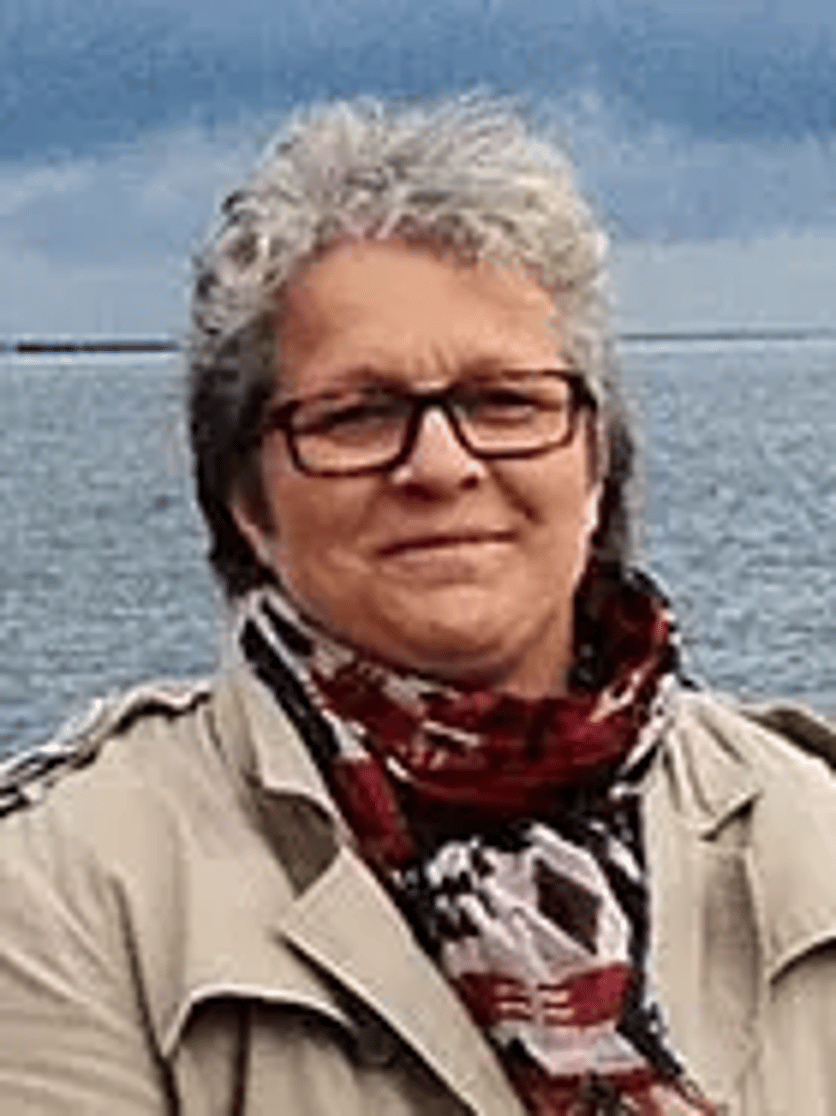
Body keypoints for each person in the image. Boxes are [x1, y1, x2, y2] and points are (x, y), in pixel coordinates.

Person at [1, 96, 836, 1116]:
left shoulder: (810, 828)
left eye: (505, 402)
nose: (440, 466)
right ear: (245, 499)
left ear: (594, 462)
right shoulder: (65, 891)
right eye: (357, 414)